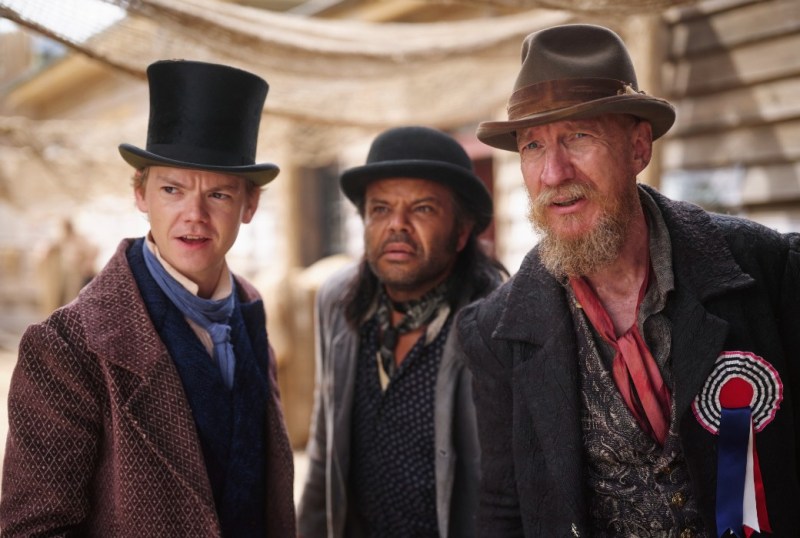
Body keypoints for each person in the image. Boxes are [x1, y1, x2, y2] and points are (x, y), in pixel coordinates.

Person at [456, 24, 800, 537]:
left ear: (639, 148)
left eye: (579, 136)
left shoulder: (768, 268)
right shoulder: (495, 332)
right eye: (532, 146)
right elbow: (505, 508)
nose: (553, 172)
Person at [1, 60, 295, 537]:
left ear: (250, 205)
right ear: (140, 193)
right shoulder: (65, 348)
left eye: (218, 194)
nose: (194, 215)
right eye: (172, 189)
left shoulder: (252, 314)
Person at [297, 126, 506, 538]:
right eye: (380, 209)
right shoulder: (337, 303)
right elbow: (326, 446)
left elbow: (509, 484)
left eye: (423, 209)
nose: (398, 225)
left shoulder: (494, 322)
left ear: (462, 231)